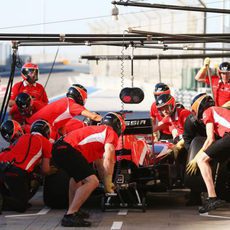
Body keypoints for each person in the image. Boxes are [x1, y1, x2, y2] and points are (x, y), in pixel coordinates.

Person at [52, 112, 126, 227]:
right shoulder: (110, 132)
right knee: (93, 181)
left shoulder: (98, 135)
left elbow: (100, 166)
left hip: (60, 147)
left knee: (76, 179)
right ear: (119, 127)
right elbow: (109, 156)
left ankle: (72, 210)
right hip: (67, 148)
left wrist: (106, 181)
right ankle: (70, 215)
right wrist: (108, 182)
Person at [186, 94, 230, 213]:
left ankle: (212, 198)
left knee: (202, 160)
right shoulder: (220, 110)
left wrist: (197, 156)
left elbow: (210, 139)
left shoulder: (208, 112)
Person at [0, 120, 52, 212]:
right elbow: (45, 170)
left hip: (3, 167)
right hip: (17, 172)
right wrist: (52, 171)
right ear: (47, 133)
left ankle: (10, 198)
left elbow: (7, 152)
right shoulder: (46, 143)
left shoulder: (22, 137)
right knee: (21, 206)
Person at [26, 84, 102, 141]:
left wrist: (64, 137)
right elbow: (94, 116)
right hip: (39, 130)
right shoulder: (72, 105)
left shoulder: (65, 102)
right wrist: (107, 120)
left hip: (32, 126)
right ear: (80, 97)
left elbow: (62, 126)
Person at [183, 93, 215, 206]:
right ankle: (195, 194)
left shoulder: (214, 117)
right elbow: (187, 140)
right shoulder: (190, 121)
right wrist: (192, 156)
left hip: (213, 145)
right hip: (197, 147)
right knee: (192, 165)